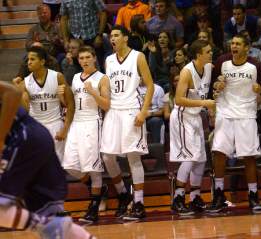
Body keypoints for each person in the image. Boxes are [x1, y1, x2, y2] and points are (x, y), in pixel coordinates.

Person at [0, 81, 94, 239]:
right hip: (36, 137)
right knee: (52, 215)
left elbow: (13, 92)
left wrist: (0, 138)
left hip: (22, 137)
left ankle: (43, 225)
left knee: (3, 208)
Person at [208, 34, 261, 212]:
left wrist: (260, 90)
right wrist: (217, 86)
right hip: (225, 112)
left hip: (246, 114)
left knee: (249, 156)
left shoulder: (255, 65)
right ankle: (218, 194)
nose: (234, 46)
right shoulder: (222, 62)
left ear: (247, 47)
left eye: (238, 44)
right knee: (219, 153)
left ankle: (253, 195)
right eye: (232, 43)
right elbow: (213, 86)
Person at [101, 25, 154, 220]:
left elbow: (149, 85)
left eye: (116, 35)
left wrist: (143, 111)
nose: (112, 39)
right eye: (111, 36)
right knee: (107, 156)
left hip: (132, 109)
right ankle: (123, 194)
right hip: (114, 111)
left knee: (133, 158)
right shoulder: (108, 60)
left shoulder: (137, 56)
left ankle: (139, 204)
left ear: (125, 38)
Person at [62, 45, 110, 222]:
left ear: (94, 58)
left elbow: (106, 105)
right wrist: (62, 98)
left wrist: (93, 92)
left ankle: (94, 208)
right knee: (70, 166)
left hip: (92, 122)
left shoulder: (102, 78)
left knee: (93, 168)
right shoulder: (75, 77)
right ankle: (99, 189)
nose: (84, 61)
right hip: (77, 123)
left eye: (87, 57)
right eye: (81, 58)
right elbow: (72, 104)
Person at [169, 40, 215, 215]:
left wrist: (219, 83)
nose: (211, 53)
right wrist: (204, 102)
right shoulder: (187, 72)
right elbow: (178, 99)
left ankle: (195, 197)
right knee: (189, 156)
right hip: (182, 116)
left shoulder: (209, 67)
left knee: (201, 158)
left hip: (195, 116)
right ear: (198, 55)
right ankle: (178, 198)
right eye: (208, 51)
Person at [16, 46, 75, 162]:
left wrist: (65, 128)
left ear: (42, 62)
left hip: (55, 124)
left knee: (59, 163)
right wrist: (17, 92)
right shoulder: (24, 83)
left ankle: (86, 179)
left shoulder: (57, 77)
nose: (29, 62)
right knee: (38, 163)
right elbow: (22, 112)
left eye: (32, 59)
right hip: (36, 126)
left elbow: (71, 103)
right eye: (28, 59)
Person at [59, 0, 107, 66]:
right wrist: (65, 40)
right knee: (75, 66)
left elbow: (103, 13)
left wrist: (99, 35)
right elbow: (63, 18)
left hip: (93, 36)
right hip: (74, 37)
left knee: (97, 65)